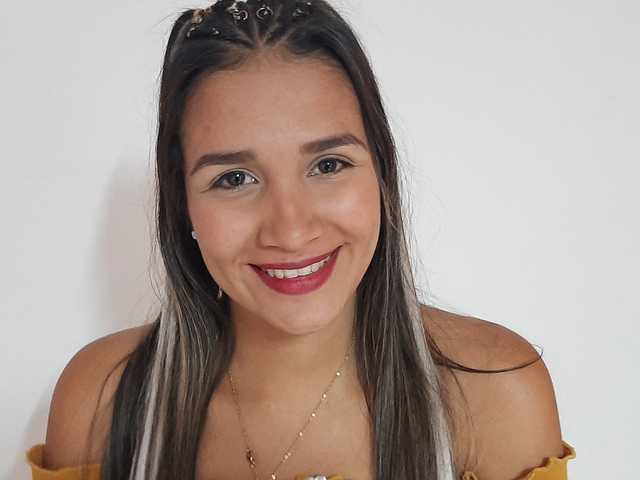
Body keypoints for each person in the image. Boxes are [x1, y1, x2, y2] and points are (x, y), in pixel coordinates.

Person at [27, 1, 575, 479]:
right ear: (182, 205)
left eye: (328, 164)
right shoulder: (101, 398)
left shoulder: (497, 396)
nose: (290, 231)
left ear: (381, 174)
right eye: (234, 179)